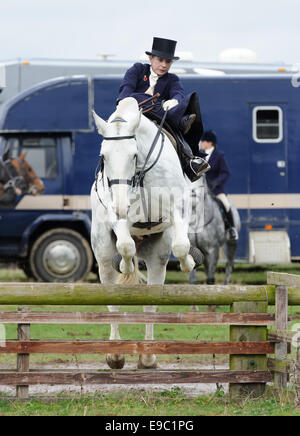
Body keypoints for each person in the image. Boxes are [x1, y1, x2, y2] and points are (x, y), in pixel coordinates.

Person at [117, 37, 210, 182]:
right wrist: (154, 102)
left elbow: (178, 94)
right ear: (150, 58)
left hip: (160, 118)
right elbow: (125, 94)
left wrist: (174, 101)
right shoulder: (136, 70)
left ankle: (189, 160)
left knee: (187, 101)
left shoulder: (172, 79)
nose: (164, 65)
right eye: (160, 60)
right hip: (133, 114)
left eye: (168, 62)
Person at [200, 130, 238, 240]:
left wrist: (216, 182)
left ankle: (231, 229)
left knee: (226, 205)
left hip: (216, 190)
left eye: (203, 141)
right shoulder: (199, 155)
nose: (201, 143)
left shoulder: (219, 156)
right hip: (201, 189)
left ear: (210, 143)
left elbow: (226, 173)